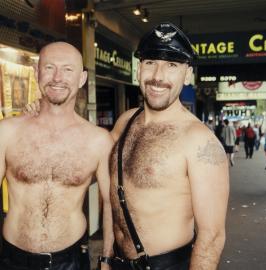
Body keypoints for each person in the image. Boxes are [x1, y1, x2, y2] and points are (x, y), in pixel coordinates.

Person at [108, 22, 229, 270]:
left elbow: (212, 236)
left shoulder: (200, 141)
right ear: (139, 69)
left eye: (172, 65)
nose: (158, 76)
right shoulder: (124, 122)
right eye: (151, 62)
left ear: (187, 75)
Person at [0, 42, 114, 270]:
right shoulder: (7, 131)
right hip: (11, 259)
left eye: (68, 69)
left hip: (71, 261)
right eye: (50, 67)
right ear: (36, 73)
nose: (57, 77)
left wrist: (106, 260)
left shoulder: (99, 140)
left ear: (82, 79)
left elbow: (111, 204)